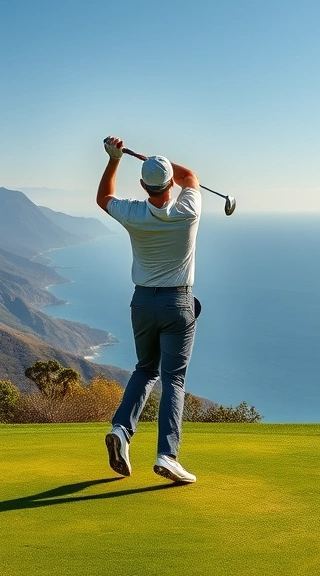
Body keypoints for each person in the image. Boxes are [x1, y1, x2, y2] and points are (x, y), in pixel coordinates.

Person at [97, 135, 200, 484]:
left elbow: (103, 198)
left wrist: (115, 159)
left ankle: (121, 432)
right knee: (173, 378)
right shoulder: (187, 211)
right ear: (170, 184)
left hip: (142, 302)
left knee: (145, 369)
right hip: (177, 302)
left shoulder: (135, 213)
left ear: (142, 185)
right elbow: (191, 178)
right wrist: (164, 163)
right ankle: (167, 456)